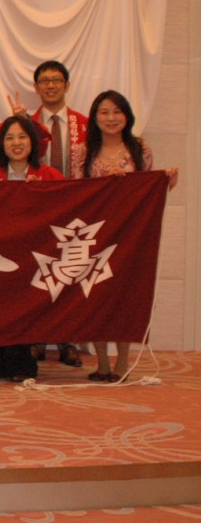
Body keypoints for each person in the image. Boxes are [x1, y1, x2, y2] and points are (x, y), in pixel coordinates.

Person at [75, 90, 178, 382]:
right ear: (95, 117)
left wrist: (167, 181)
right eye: (104, 112)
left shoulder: (139, 149)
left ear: (127, 116)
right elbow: (75, 193)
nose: (111, 118)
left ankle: (121, 363)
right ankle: (101, 363)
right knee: (95, 297)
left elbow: (149, 193)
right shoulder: (83, 151)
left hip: (130, 235)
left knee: (124, 297)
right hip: (95, 234)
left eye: (117, 111)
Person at [0, 115, 63, 382]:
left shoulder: (49, 175)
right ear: (1, 144)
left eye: (22, 137)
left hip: (33, 256)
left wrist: (43, 193)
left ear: (32, 142)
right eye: (10, 138)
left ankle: (21, 362)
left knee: (23, 307)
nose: (16, 143)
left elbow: (66, 207)